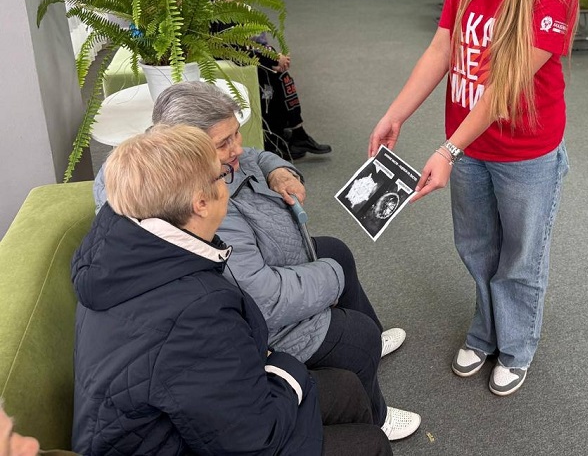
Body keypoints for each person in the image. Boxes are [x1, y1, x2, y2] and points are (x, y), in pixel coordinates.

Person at [92, 82, 420, 442]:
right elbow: (264, 299)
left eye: (236, 133)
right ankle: (377, 414)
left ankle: (371, 340)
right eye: (224, 143)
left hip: (270, 260)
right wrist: (331, 278)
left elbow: (253, 156)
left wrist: (278, 170)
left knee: (336, 251)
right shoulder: (199, 210)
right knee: (356, 336)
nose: (236, 147)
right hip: (264, 319)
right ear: (191, 151)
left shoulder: (166, 157)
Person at [369, 0, 578, 397]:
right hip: (468, 146)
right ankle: (486, 332)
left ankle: (517, 345)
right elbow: (442, 47)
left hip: (524, 150)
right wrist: (396, 114)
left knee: (520, 258)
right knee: (477, 248)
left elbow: (506, 85)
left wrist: (447, 150)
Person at [208, 0, 332, 159]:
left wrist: (273, 56)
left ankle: (293, 133)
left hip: (249, 61)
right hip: (240, 69)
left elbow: (250, 45)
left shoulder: (231, 15)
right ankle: (284, 136)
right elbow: (240, 53)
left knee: (281, 76)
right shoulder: (222, 21)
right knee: (278, 78)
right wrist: (273, 60)